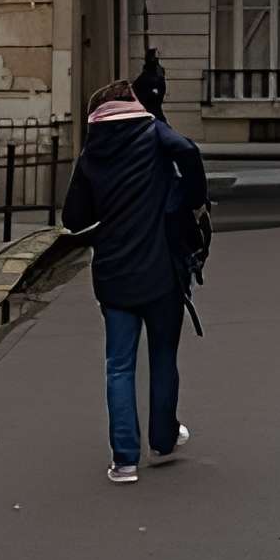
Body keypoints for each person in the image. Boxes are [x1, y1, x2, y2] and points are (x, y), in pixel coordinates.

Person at [62, 79, 207, 484]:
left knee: (119, 366)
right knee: (163, 357)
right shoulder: (154, 136)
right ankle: (163, 439)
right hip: (161, 271)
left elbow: (72, 219)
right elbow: (188, 150)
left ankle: (124, 460)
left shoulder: (92, 153)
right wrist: (193, 199)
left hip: (113, 273)